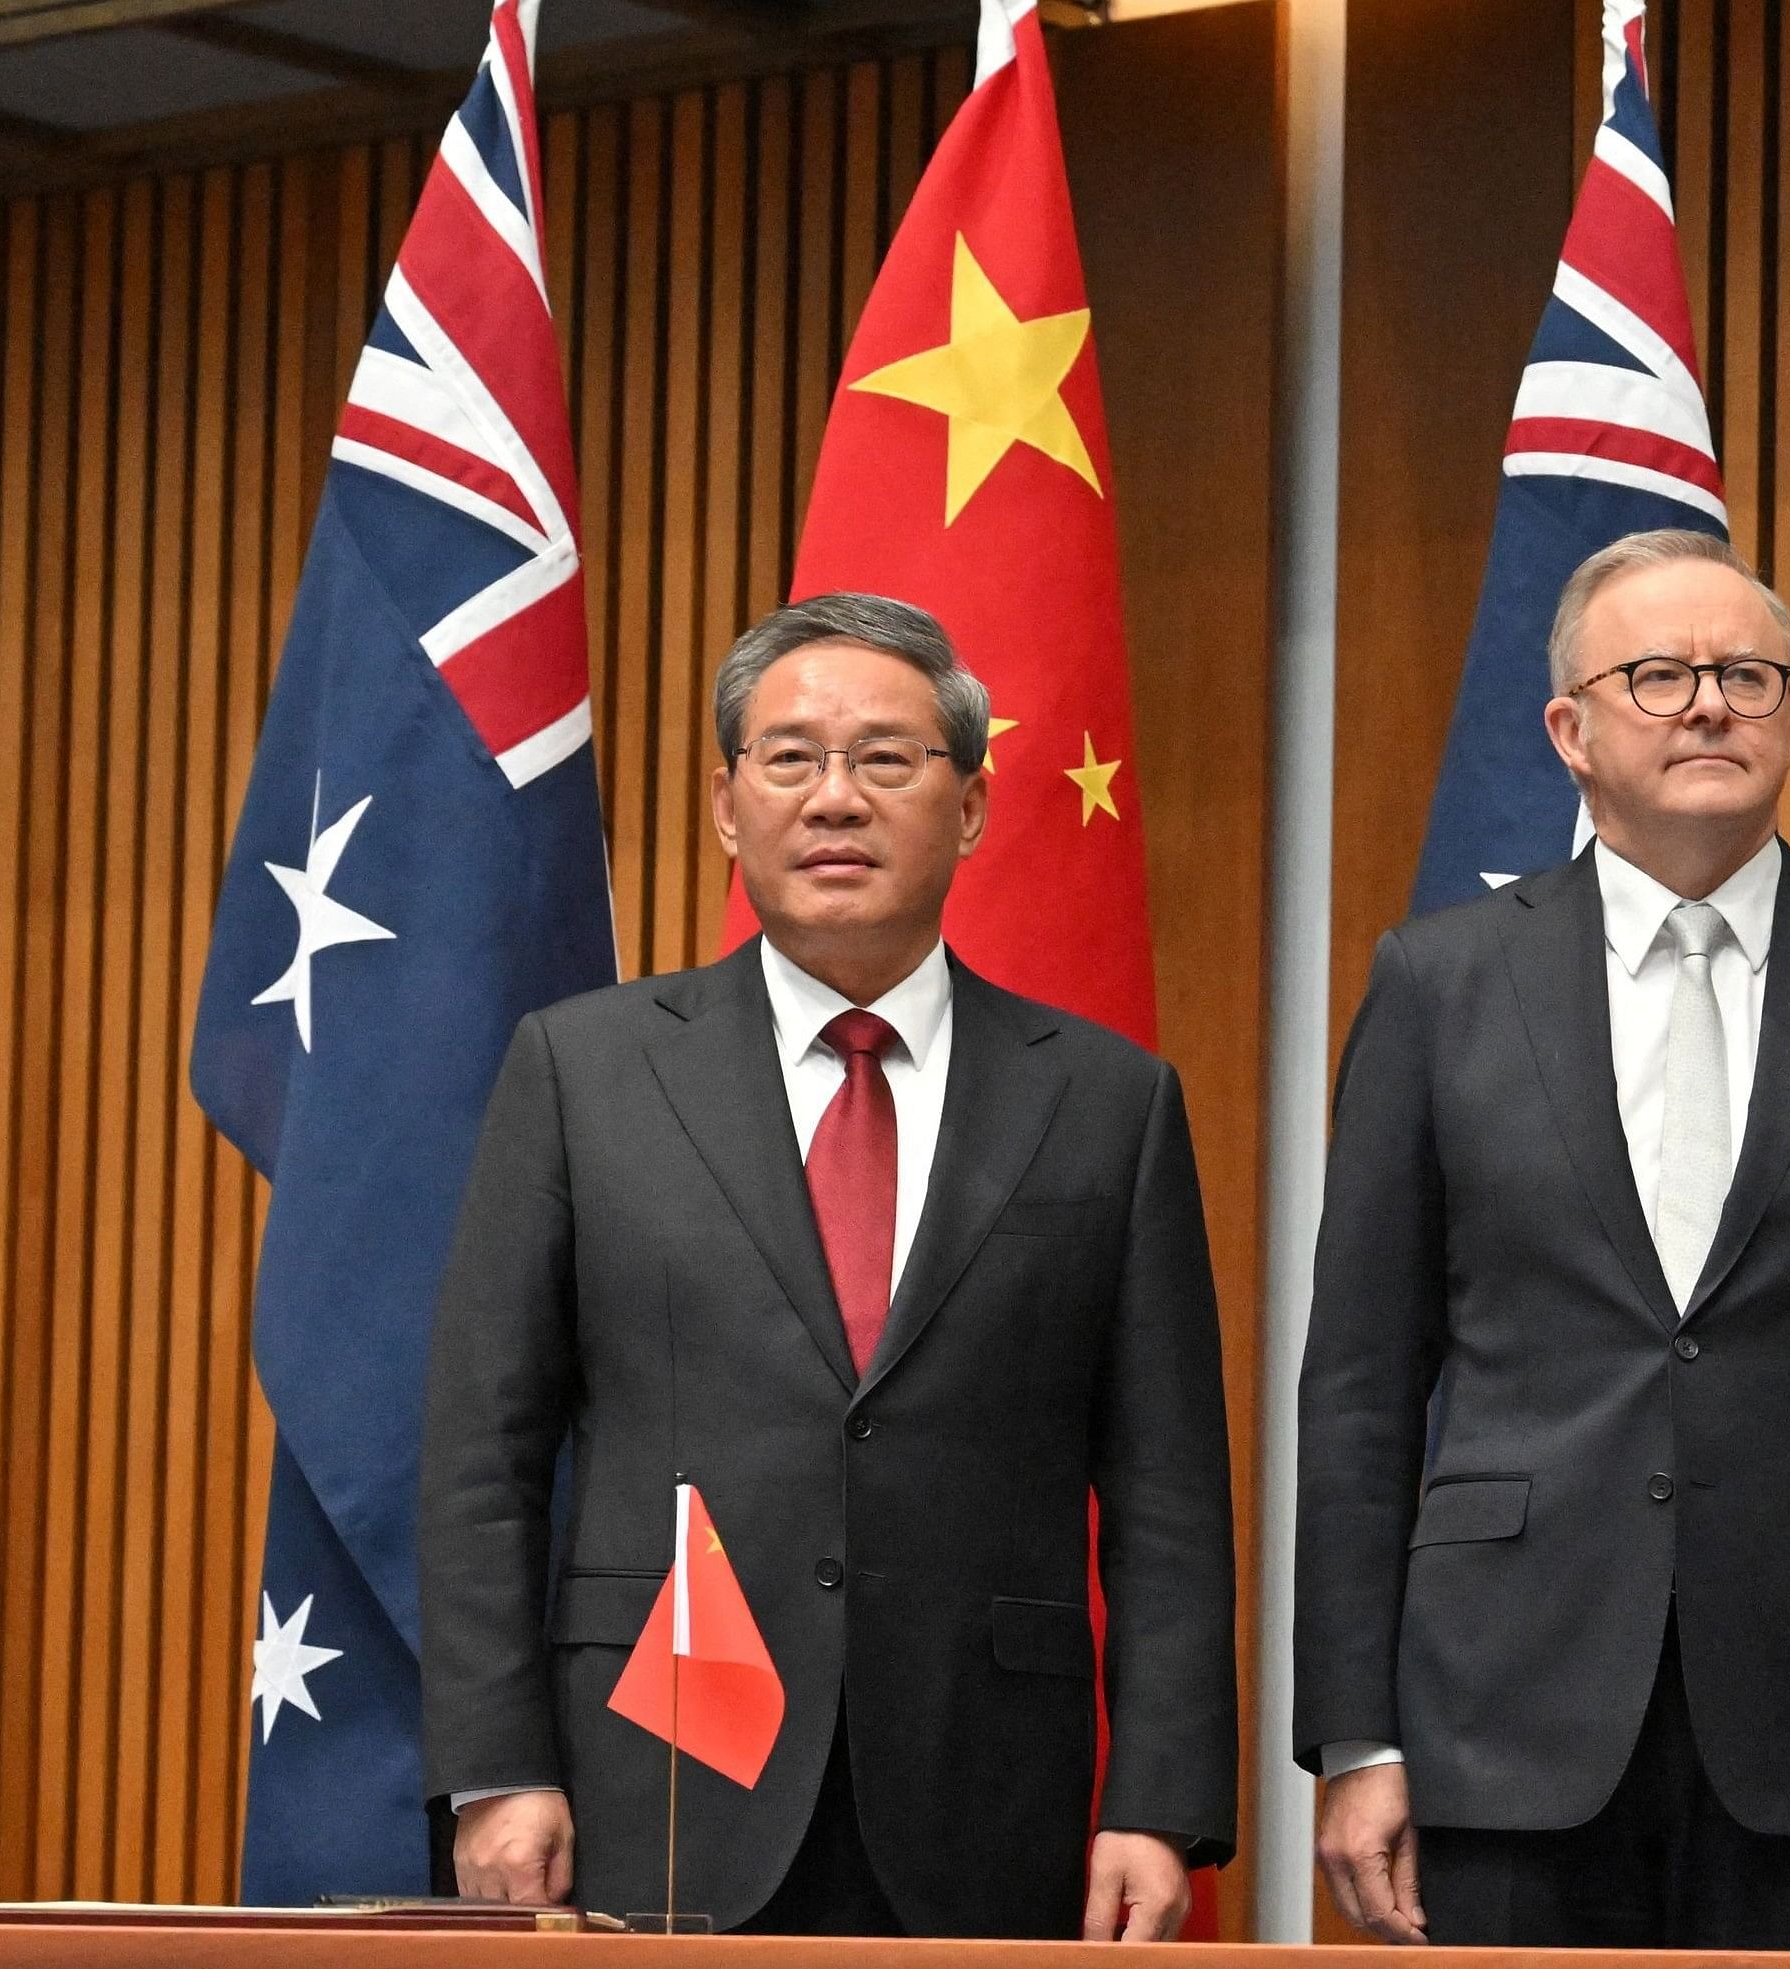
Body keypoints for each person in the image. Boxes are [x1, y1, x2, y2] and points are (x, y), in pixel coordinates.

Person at [1293, 530, 1790, 1949]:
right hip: (1503, 1726)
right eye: (1659, 675)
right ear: (1569, 731)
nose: (1710, 703)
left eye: (1748, 675)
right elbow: (1355, 1389)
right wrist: (1354, 1737)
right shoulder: (1440, 983)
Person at [418, 593, 1236, 1937]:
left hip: (989, 1785)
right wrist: (497, 1766)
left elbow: (1168, 1491)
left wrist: (1158, 1798)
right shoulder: (584, 1071)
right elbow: (479, 1454)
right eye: (790, 758)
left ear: (969, 806)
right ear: (730, 806)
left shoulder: (1107, 1100)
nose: (836, 797)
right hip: (667, 1771)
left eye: (887, 759)